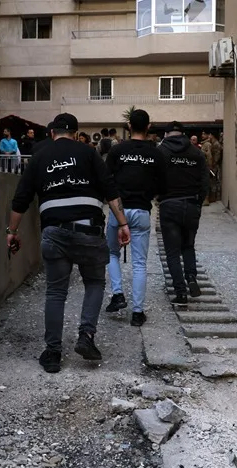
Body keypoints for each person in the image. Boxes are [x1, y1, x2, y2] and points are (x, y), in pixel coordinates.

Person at [7, 113, 131, 374]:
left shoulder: (39, 156)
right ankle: (86, 336)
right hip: (89, 230)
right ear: (75, 134)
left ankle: (53, 353)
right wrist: (123, 224)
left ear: (52, 133)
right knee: (94, 282)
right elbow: (110, 190)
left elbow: (21, 198)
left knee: (55, 292)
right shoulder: (89, 154)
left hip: (55, 233)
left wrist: (12, 231)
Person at [103, 109, 167, 326]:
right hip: (141, 211)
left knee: (112, 253)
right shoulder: (156, 154)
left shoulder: (117, 151)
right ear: (148, 127)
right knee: (139, 263)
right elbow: (162, 186)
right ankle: (138, 313)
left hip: (118, 210)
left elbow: (106, 180)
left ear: (129, 126)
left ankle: (118, 294)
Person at [157, 121, 209, 305]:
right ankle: (191, 278)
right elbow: (205, 183)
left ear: (166, 134)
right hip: (191, 204)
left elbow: (153, 178)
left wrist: (158, 196)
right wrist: (198, 203)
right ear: (184, 134)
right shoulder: (197, 153)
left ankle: (180, 292)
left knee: (172, 252)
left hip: (169, 204)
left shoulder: (160, 152)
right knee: (188, 246)